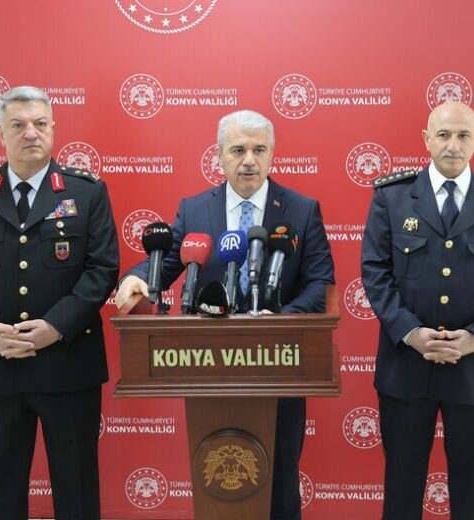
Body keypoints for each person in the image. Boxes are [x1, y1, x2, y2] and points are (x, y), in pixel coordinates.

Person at [115, 109, 334, 520]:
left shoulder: (302, 210)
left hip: (281, 367)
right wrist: (135, 278)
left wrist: (281, 319)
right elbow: (167, 263)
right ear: (219, 155)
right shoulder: (195, 209)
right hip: (211, 369)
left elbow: (320, 284)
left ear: (272, 154)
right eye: (238, 150)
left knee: (280, 482)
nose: (249, 160)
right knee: (216, 472)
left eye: (259, 150)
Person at [361, 101, 474, 520]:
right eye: (443, 135)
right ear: (426, 139)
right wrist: (411, 333)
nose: (453, 145)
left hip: (473, 371)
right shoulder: (392, 197)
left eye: (463, 135)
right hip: (406, 368)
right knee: (401, 496)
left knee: (471, 500)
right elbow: (375, 272)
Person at [0, 86, 119, 520]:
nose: (31, 133)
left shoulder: (86, 192)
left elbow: (102, 269)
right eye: (18, 125)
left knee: (76, 490)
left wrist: (55, 327)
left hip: (68, 363)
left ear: (54, 128)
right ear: (0, 132)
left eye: (40, 123)